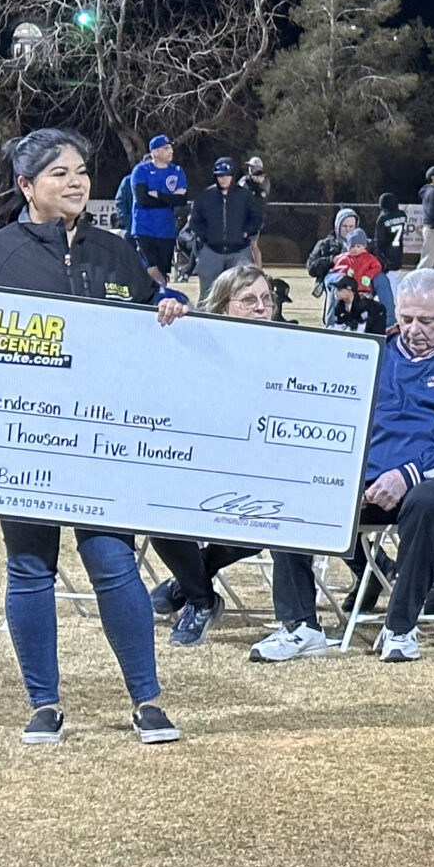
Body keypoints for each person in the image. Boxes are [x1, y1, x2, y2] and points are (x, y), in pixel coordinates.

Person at [0, 127, 190, 746]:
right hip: (23, 449)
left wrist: (173, 302)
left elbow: (156, 311)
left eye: (80, 171)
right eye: (59, 174)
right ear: (26, 186)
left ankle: (147, 700)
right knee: (29, 568)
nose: (76, 183)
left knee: (113, 562)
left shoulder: (115, 251)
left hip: (99, 444)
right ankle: (43, 704)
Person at [263, 270, 434, 664]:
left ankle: (400, 627)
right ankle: (300, 626)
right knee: (293, 490)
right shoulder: (373, 354)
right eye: (407, 318)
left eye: (426, 321)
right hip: (366, 481)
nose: (414, 329)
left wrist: (408, 475)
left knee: (426, 501)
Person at [146, 264, 280, 647]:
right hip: (200, 466)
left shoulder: (290, 352)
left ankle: (189, 579)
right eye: (249, 300)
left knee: (269, 515)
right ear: (222, 307)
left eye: (267, 300)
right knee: (159, 509)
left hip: (259, 475)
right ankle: (202, 600)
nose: (261, 308)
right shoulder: (198, 347)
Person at [187, 158, 262, 295]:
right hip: (212, 251)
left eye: (227, 175)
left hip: (239, 252)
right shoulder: (205, 196)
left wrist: (245, 232)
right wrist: (206, 236)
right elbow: (195, 221)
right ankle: (206, 317)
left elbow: (256, 219)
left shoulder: (245, 196)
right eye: (220, 175)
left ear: (233, 176)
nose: (223, 179)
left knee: (242, 293)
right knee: (207, 296)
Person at [125, 135, 187, 287]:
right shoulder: (141, 171)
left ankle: (160, 298)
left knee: (163, 270)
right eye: (166, 148)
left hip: (167, 229)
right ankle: (152, 299)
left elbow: (181, 200)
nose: (171, 151)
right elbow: (143, 199)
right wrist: (169, 199)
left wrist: (158, 195)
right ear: (155, 152)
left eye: (171, 148)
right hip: (144, 228)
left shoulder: (177, 171)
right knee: (151, 269)